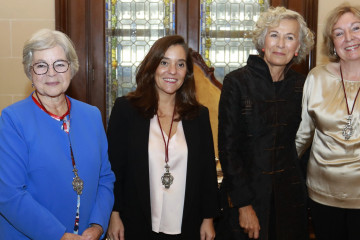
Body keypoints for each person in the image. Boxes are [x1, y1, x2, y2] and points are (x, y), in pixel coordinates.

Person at [0, 29, 115, 240]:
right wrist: (58, 235)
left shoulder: (91, 115)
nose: (51, 73)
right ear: (30, 72)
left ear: (71, 68)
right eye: (41, 65)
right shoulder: (12, 120)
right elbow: (9, 194)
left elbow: (105, 178)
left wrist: (98, 225)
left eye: (60, 64)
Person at [106, 35, 219, 240]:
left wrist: (208, 218)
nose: (172, 71)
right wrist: (114, 215)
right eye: (164, 62)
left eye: (180, 64)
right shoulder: (126, 110)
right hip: (136, 222)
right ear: (152, 67)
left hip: (188, 224)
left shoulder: (199, 116)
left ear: (187, 73)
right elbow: (114, 169)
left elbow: (207, 172)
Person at [217, 7, 314, 240]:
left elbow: (308, 144)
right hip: (246, 199)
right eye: (274, 35)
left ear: (297, 47)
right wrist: (243, 205)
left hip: (291, 202)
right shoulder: (236, 82)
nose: (281, 44)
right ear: (263, 41)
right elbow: (228, 151)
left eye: (289, 37)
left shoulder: (304, 85)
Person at [295, 4, 360, 240]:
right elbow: (302, 135)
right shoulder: (317, 77)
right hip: (322, 194)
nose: (349, 38)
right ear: (332, 42)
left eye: (356, 28)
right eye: (339, 33)